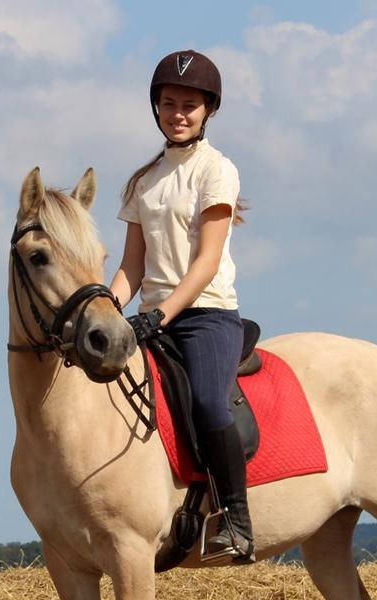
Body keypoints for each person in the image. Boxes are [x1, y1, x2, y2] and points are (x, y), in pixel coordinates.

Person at [109, 49, 254, 564]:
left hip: (206, 315)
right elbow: (131, 266)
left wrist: (161, 313)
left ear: (208, 110)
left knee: (210, 404)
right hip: (152, 318)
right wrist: (107, 306)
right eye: (169, 102)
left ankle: (235, 520)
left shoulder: (217, 171)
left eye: (189, 105)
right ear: (156, 107)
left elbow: (207, 262)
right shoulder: (142, 181)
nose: (178, 113)